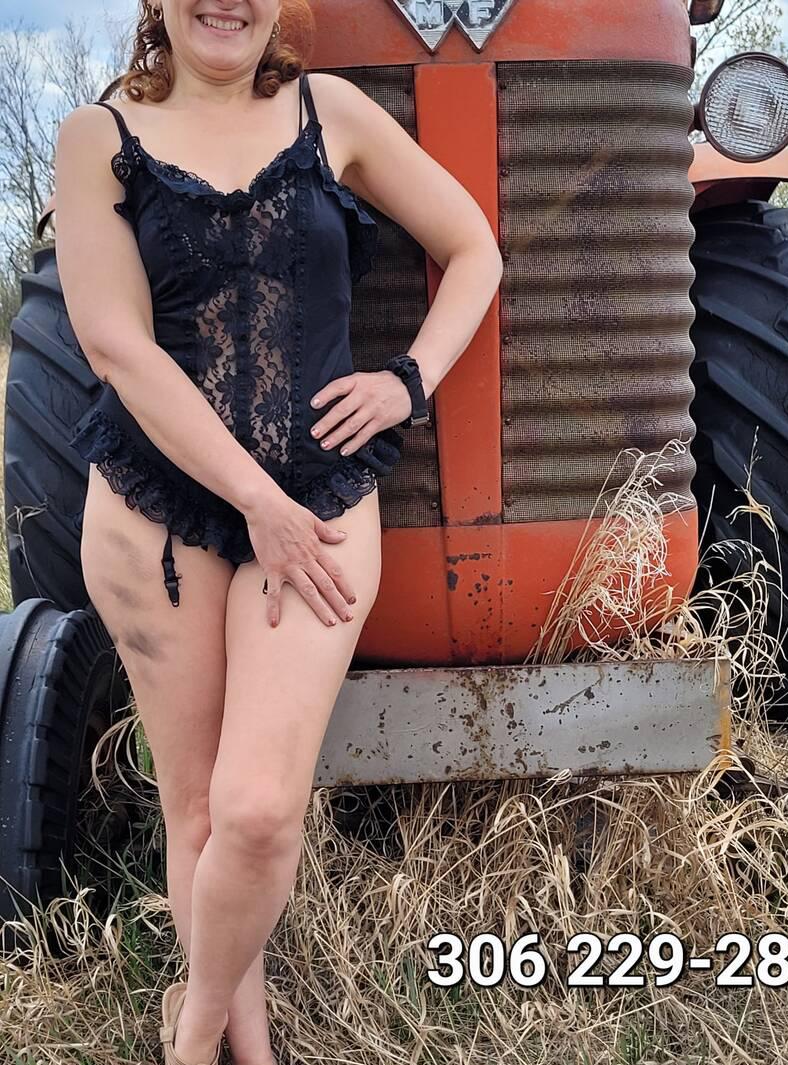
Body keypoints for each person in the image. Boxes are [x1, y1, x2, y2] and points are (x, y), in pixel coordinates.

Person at [53, 2, 504, 1063]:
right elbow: (116, 345)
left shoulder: (329, 112)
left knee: (256, 811)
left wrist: (407, 382)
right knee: (197, 812)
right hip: (155, 512)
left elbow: (473, 247)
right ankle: (246, 1048)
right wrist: (252, 496)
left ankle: (190, 1033)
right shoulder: (97, 137)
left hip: (319, 503)